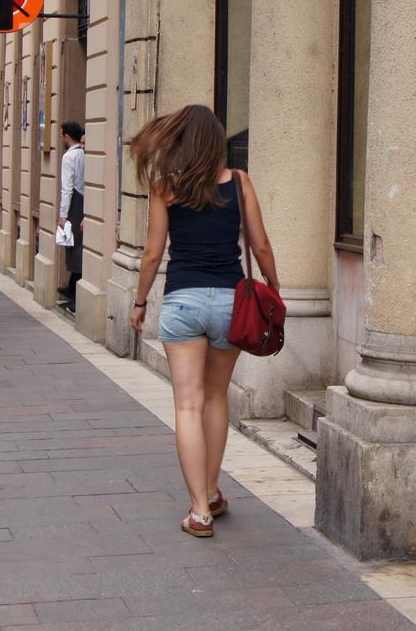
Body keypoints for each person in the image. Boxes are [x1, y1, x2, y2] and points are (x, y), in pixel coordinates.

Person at [128, 105, 280, 538]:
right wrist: (275, 286)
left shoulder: (165, 188)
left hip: (182, 302)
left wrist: (140, 301)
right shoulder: (240, 182)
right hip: (231, 302)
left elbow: (153, 253)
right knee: (216, 399)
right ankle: (212, 490)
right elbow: (260, 244)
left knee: (187, 405)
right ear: (216, 142)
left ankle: (199, 511)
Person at [57, 122, 86, 312]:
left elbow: (67, 188)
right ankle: (71, 289)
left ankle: (75, 295)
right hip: (85, 200)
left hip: (75, 203)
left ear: (67, 137)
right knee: (79, 246)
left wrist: (62, 215)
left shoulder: (69, 157)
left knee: (74, 247)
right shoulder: (84, 154)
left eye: (62, 136)